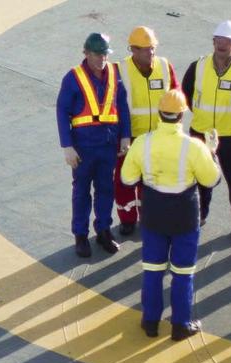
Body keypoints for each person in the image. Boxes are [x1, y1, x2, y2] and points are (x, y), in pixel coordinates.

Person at [120, 90, 221, 341]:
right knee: (183, 272)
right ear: (181, 116)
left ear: (159, 114)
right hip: (184, 216)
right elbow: (211, 179)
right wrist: (212, 153)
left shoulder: (143, 142)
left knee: (152, 269)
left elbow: (127, 178)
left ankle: (150, 321)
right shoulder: (194, 146)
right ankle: (180, 325)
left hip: (154, 213)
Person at [182, 20, 231, 242]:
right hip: (200, 133)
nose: (221, 45)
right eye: (218, 40)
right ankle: (200, 214)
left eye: (227, 41)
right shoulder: (198, 66)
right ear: (213, 41)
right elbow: (186, 93)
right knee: (199, 177)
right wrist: (202, 118)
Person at [57, 32, 132, 257]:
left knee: (105, 189)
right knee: (81, 191)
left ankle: (104, 231)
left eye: (105, 55)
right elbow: (62, 112)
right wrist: (67, 146)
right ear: (86, 54)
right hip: (83, 147)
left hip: (108, 144)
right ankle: (80, 235)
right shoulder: (73, 78)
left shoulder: (114, 74)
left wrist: (125, 136)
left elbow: (122, 106)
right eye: (98, 55)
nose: (102, 60)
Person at [112, 26, 180, 237]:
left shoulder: (164, 66)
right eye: (143, 49)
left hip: (158, 137)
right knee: (125, 180)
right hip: (129, 138)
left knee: (153, 180)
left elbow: (176, 96)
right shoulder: (119, 70)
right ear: (132, 49)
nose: (149, 53)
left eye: (152, 48)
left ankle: (149, 216)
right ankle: (127, 218)